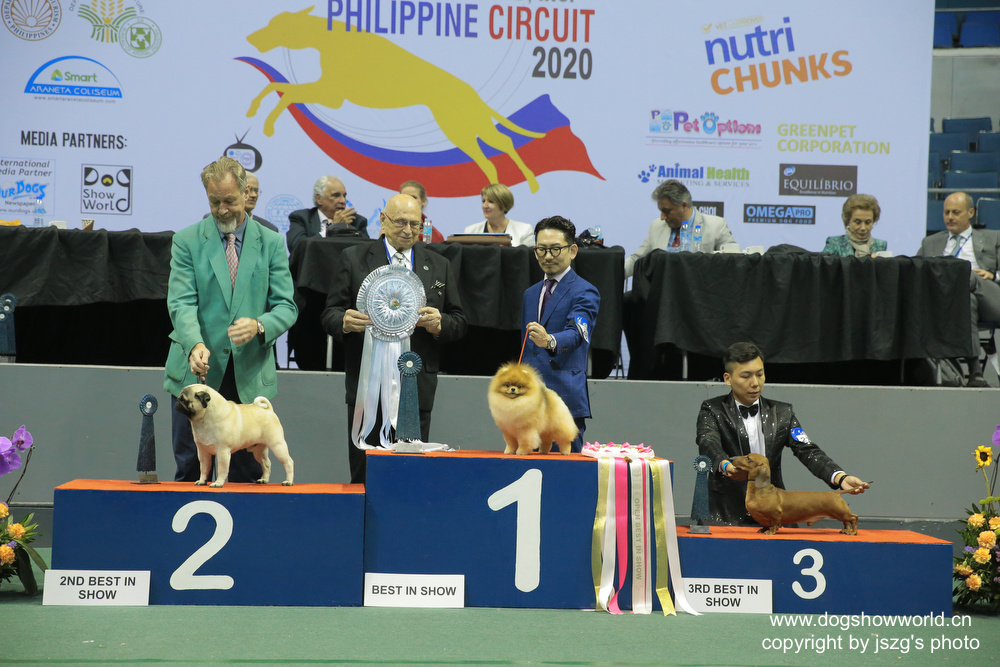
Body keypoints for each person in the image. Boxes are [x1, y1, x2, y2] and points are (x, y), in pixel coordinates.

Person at [163, 157, 298, 482]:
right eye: (214, 202)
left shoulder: (271, 242)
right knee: (192, 474)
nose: (223, 210)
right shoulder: (186, 241)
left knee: (247, 481)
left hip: (247, 380)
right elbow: (181, 303)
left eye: (230, 201)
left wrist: (260, 325)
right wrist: (194, 344)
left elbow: (286, 307)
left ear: (247, 193)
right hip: (196, 377)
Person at [321, 193, 467, 483]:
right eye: (400, 222)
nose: (408, 230)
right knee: (365, 475)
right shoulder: (353, 258)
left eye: (415, 224)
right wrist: (345, 322)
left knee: (411, 477)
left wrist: (440, 324)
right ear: (383, 220)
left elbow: (459, 321)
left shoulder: (439, 264)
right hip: (367, 387)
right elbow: (330, 314)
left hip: (416, 387)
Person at [696, 341, 868, 525]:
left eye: (760, 374)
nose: (755, 383)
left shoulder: (782, 412)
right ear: (728, 379)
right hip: (725, 515)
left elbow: (807, 450)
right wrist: (725, 465)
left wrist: (840, 477)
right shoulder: (712, 409)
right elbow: (708, 441)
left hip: (775, 511)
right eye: (746, 376)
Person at [522, 216, 600, 453]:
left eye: (555, 249)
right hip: (528, 403)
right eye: (541, 249)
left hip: (563, 401)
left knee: (565, 471)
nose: (547, 256)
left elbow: (577, 333)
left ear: (572, 250)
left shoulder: (585, 291)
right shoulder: (530, 294)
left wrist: (550, 340)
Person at [917, 191, 1000, 388]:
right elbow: (917, 272)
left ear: (970, 213)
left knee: (964, 273)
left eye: (956, 212)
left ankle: (961, 278)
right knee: (965, 299)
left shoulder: (993, 237)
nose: (950, 217)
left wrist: (994, 275)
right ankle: (975, 372)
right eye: (946, 212)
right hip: (953, 303)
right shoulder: (930, 242)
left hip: (990, 298)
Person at [625, 179, 736, 278]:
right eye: (661, 211)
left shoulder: (716, 226)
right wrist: (616, 272)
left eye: (667, 211)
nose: (662, 217)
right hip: (662, 292)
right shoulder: (656, 226)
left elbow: (733, 263)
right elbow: (637, 259)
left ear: (684, 206)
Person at [286, 176, 369, 253]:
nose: (343, 201)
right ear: (319, 199)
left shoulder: (357, 221)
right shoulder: (301, 218)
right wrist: (333, 228)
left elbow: (367, 252)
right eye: (336, 196)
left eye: (344, 196)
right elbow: (297, 249)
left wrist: (346, 228)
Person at [464, 183, 534, 246]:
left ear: (503, 204)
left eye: (490, 201)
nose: (485, 206)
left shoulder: (524, 230)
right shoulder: (470, 231)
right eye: (483, 201)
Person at [822, 194, 887, 257]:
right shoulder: (835, 244)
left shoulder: (880, 246)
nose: (863, 228)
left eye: (867, 222)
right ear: (847, 221)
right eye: (858, 222)